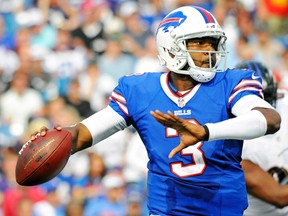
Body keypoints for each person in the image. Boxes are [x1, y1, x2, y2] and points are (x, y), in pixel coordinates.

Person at [25, 6, 281, 215]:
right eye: (199, 43)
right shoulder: (139, 90)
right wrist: (57, 139)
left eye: (212, 43)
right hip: (167, 211)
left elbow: (268, 119)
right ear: (171, 48)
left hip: (224, 210)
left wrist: (206, 131)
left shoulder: (230, 82)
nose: (209, 51)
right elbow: (84, 133)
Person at [235, 61, 288, 216]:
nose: (261, 107)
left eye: (265, 97)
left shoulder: (284, 104)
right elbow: (279, 197)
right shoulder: (235, 145)